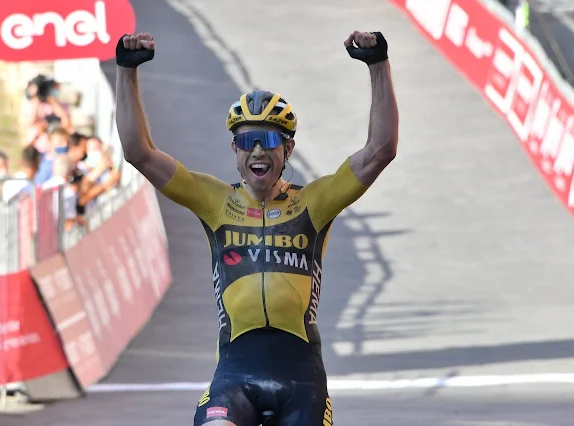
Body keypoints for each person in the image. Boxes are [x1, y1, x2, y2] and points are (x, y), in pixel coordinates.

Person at [115, 30, 399, 426]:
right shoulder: (213, 200)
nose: (258, 150)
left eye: (269, 139)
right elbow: (138, 153)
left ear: (288, 149)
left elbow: (380, 151)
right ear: (235, 149)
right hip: (235, 376)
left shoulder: (314, 202)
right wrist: (126, 69)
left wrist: (378, 64)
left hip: (301, 379)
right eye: (247, 140)